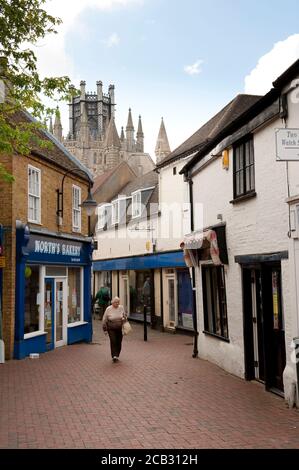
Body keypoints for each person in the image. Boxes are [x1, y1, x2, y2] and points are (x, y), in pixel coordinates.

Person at [102, 296, 127, 363]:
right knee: (113, 341)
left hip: (119, 328)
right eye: (115, 302)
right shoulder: (108, 309)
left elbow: (125, 316)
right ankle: (114, 356)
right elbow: (104, 319)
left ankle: (117, 354)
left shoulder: (121, 308)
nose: (117, 303)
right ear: (112, 302)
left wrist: (124, 319)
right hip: (111, 328)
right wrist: (104, 329)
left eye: (118, 302)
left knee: (119, 341)